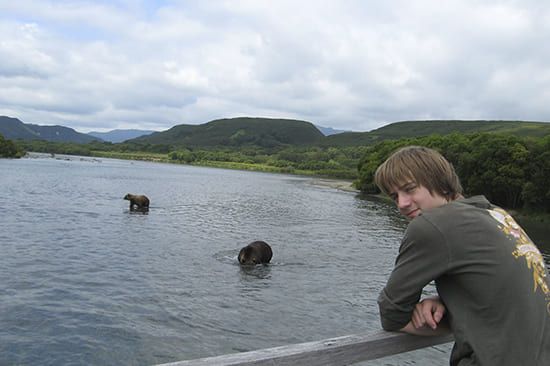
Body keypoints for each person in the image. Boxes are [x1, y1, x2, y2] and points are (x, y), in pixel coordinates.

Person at [374, 145, 550, 366]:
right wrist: (450, 302)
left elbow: (392, 313)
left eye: (409, 189)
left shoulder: (431, 225)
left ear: (438, 180)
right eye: (394, 196)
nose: (401, 203)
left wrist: (448, 317)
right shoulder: (496, 214)